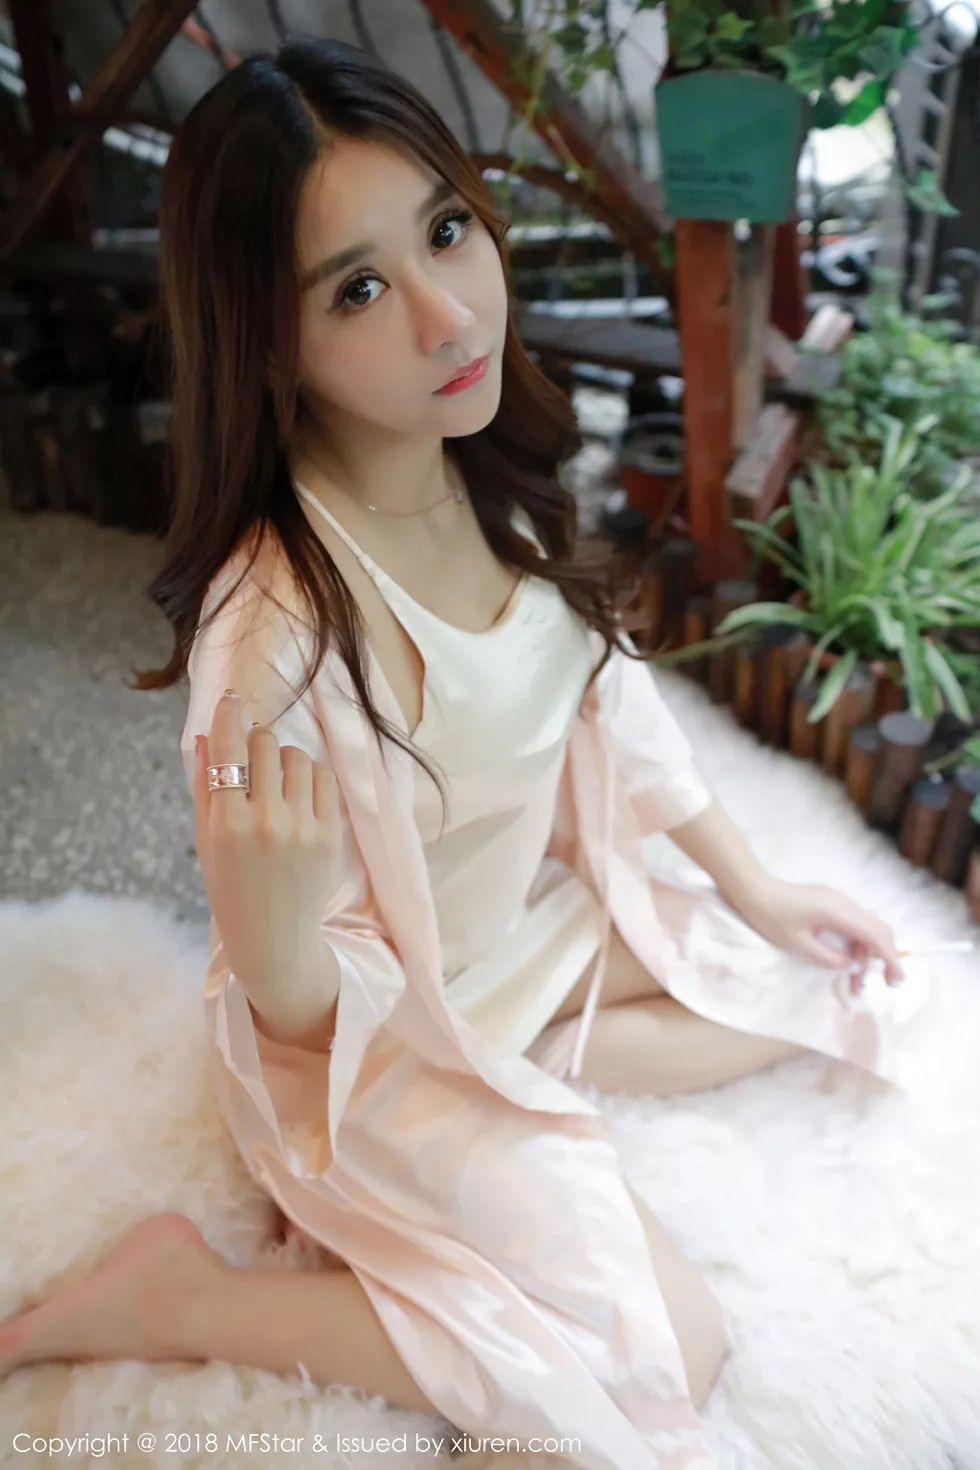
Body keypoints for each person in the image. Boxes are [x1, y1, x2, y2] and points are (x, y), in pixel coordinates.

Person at [0, 38, 933, 1469]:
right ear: (268, 341)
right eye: (358, 289)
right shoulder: (275, 634)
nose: (450, 315)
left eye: (445, 229)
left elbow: (606, 697)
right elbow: (289, 989)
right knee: (666, 1351)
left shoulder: (478, 463)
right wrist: (267, 925)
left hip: (508, 937)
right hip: (367, 1039)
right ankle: (184, 1294)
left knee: (828, 992)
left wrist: (754, 887)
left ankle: (544, 1048)